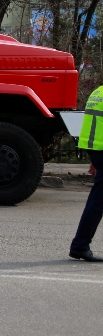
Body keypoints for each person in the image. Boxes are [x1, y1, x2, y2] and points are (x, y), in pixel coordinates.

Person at [70, 84, 103, 261]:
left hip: (96, 150)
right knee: (97, 202)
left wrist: (95, 159)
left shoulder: (98, 92)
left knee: (97, 201)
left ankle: (80, 245)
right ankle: (80, 246)